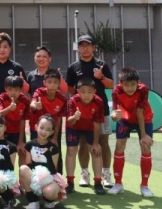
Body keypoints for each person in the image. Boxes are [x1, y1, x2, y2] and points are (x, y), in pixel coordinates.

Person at [66, 34, 114, 188]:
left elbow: (111, 85)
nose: (85, 48)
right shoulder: (73, 67)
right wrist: (78, 99)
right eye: (81, 46)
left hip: (101, 109)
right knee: (82, 142)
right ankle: (85, 174)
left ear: (94, 47)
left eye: (88, 45)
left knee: (103, 142)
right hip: (80, 113)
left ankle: (106, 174)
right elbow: (69, 88)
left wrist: (101, 77)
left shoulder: (101, 65)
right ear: (78, 49)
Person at [109, 67, 155, 197]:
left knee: (145, 146)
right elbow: (114, 113)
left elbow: (140, 113)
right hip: (125, 119)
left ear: (138, 83)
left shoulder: (143, 90)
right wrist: (114, 116)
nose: (130, 88)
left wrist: (143, 136)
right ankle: (118, 184)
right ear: (121, 83)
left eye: (133, 84)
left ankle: (144, 186)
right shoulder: (116, 91)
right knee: (119, 145)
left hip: (144, 119)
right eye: (126, 85)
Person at [64, 79, 106, 195]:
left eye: (89, 92)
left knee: (96, 151)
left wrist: (96, 143)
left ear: (95, 92)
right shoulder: (73, 101)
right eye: (83, 92)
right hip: (74, 127)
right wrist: (75, 117)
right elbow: (69, 121)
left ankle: (98, 182)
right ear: (78, 91)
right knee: (71, 151)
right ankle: (70, 182)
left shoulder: (98, 102)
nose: (86, 95)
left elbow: (97, 124)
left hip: (90, 128)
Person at [20, 114, 67, 209]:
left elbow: (53, 170)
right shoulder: (29, 145)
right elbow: (29, 164)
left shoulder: (54, 148)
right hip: (34, 175)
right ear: (36, 127)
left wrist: (47, 154)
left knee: (49, 192)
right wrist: (35, 180)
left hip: (50, 177)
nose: (44, 132)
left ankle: (48, 200)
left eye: (48, 129)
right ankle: (33, 201)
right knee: (23, 169)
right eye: (41, 128)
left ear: (52, 132)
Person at [30, 69, 67, 172]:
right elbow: (32, 104)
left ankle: (57, 175)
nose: (52, 85)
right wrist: (35, 106)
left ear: (59, 84)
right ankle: (34, 175)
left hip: (52, 130)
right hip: (37, 128)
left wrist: (55, 137)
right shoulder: (39, 92)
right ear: (44, 83)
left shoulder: (62, 98)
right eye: (49, 82)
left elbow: (59, 118)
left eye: (55, 82)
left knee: (55, 151)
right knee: (36, 152)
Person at [0, 75, 31, 152]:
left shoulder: (25, 100)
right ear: (5, 88)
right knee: (5, 154)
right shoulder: (2, 97)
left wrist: (20, 141)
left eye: (16, 90)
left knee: (22, 151)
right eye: (10, 89)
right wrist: (9, 108)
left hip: (19, 132)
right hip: (4, 131)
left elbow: (23, 121)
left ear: (21, 89)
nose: (13, 93)